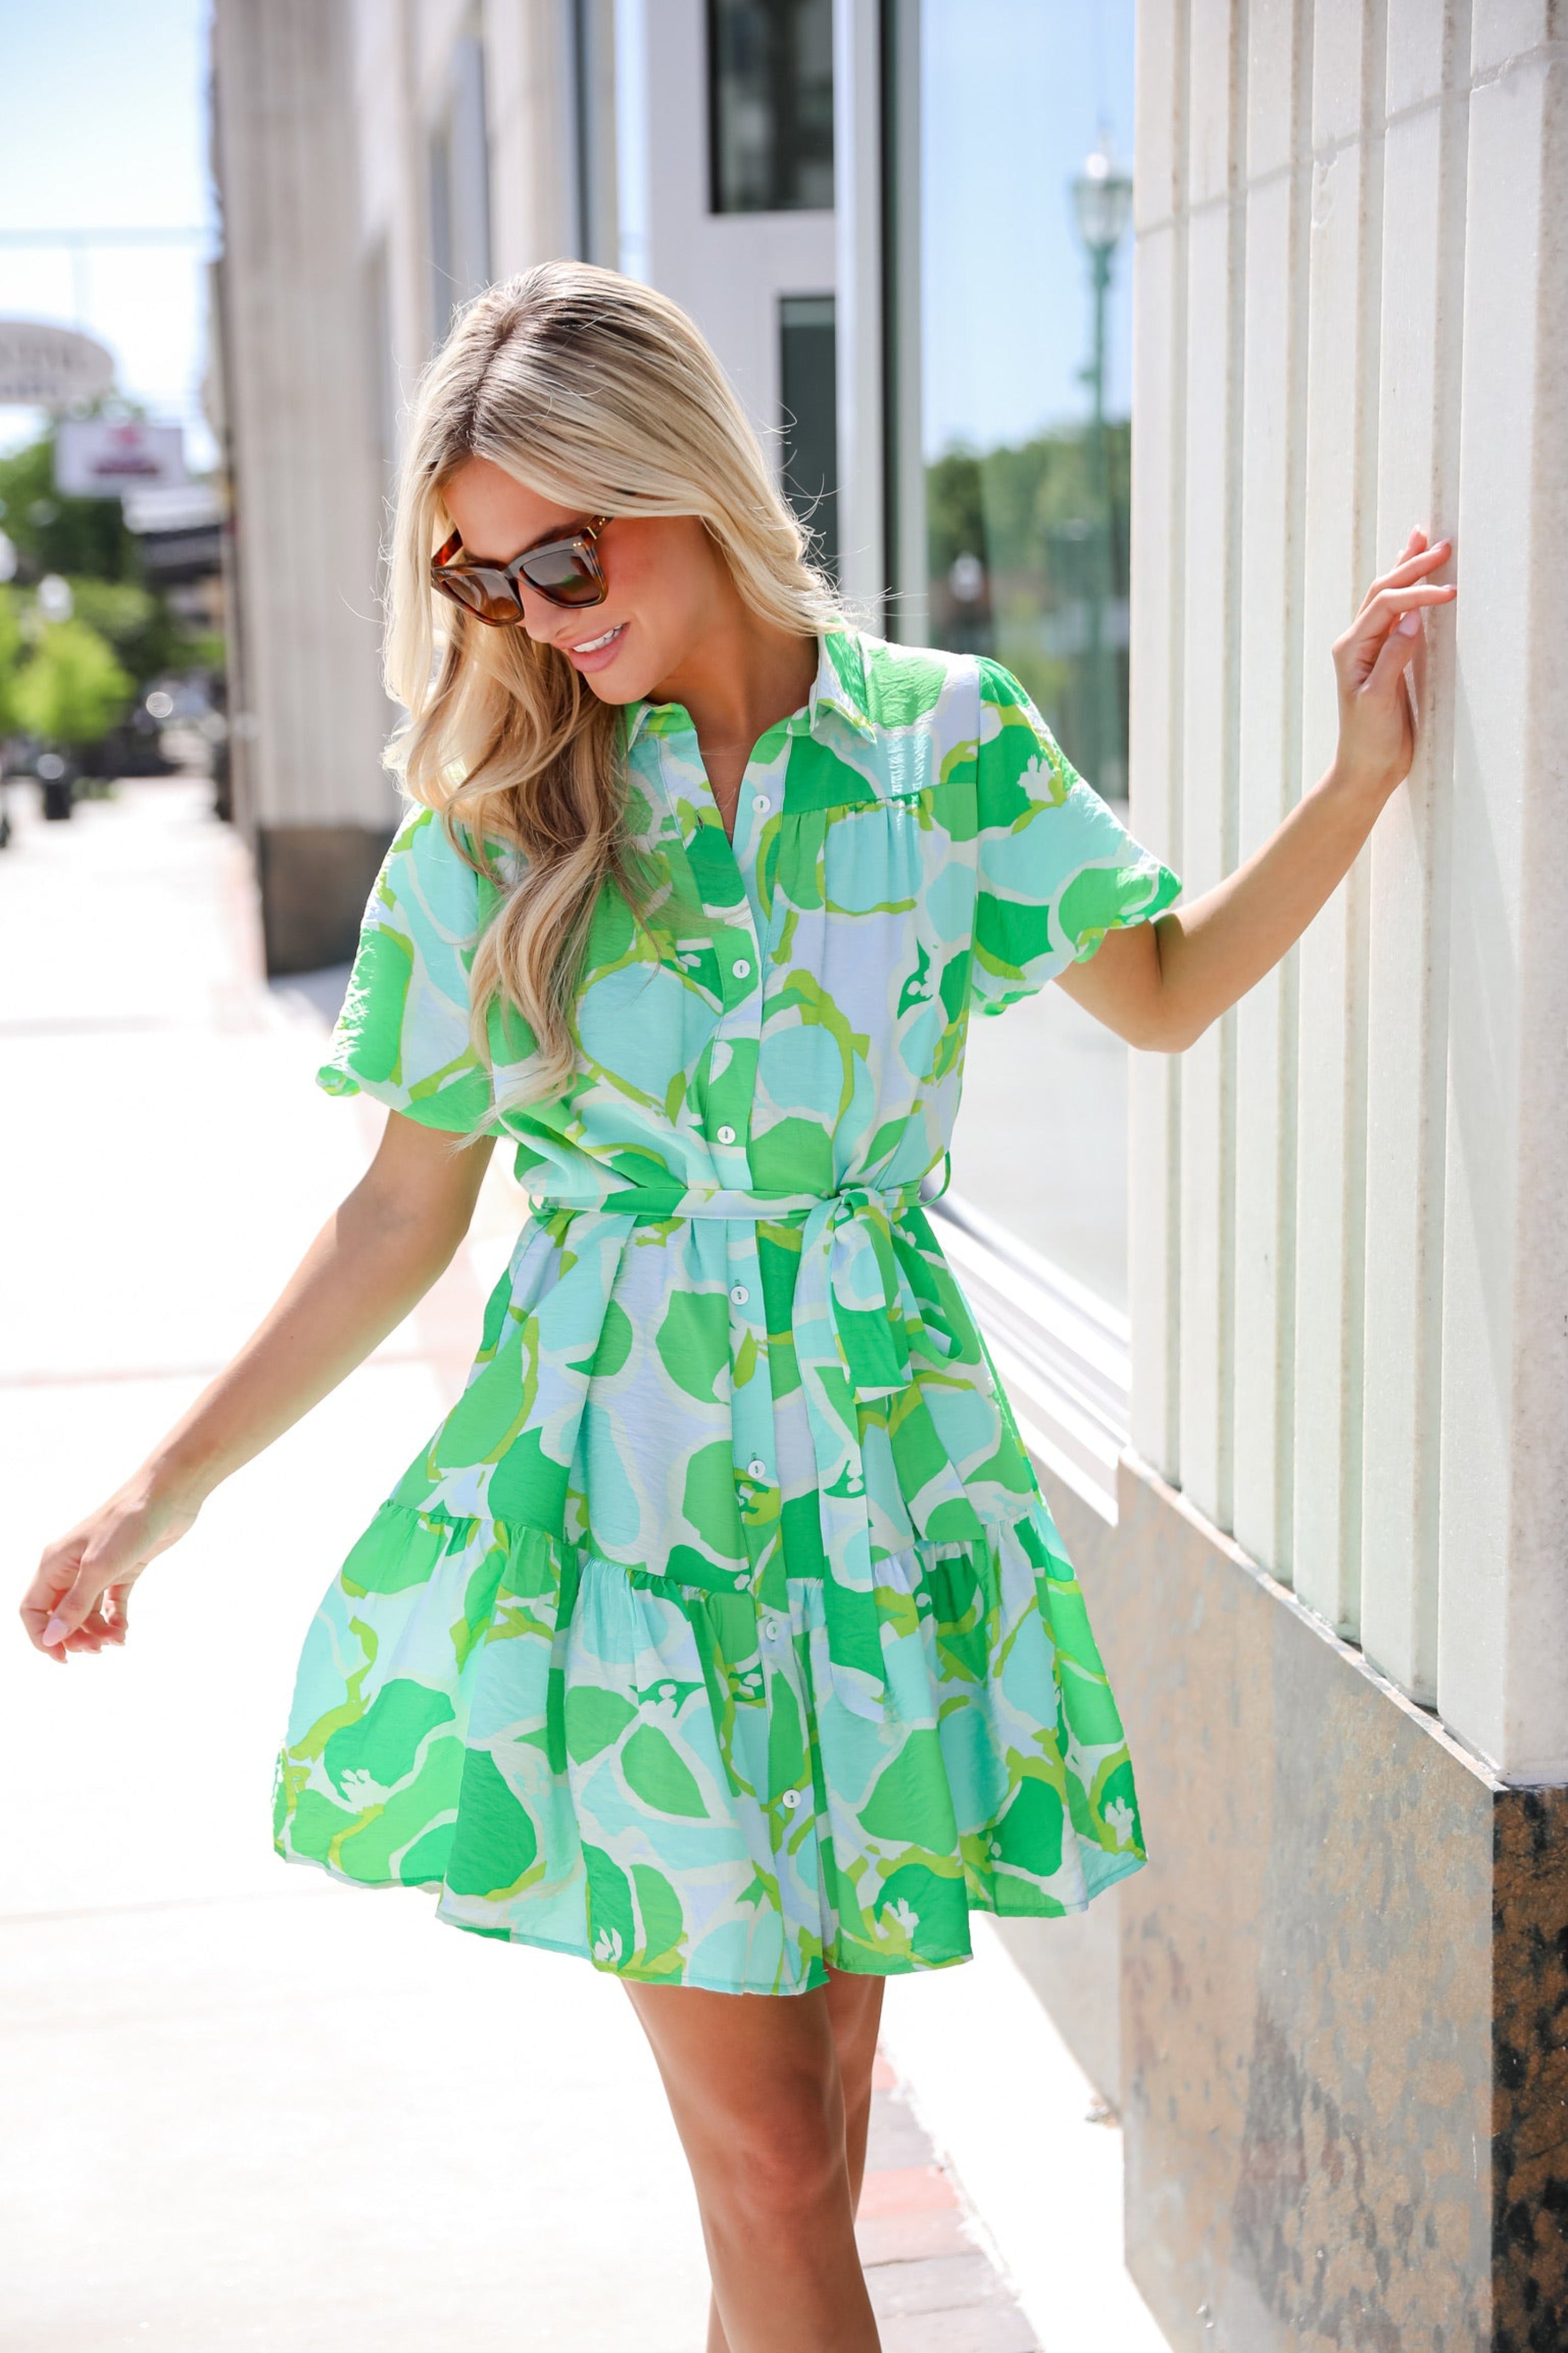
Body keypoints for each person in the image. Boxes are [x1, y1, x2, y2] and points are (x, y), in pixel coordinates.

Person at [19, 263, 1456, 2353]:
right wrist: (161, 1492)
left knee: (824, 2120)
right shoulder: (499, 831)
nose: (535, 614)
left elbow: (1155, 993)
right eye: (486, 577)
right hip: (630, 1515)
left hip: (880, 1489)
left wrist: (1354, 782)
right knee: (776, 2167)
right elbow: (399, 1213)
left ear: (678, 478)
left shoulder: (942, 746)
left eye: (566, 555)